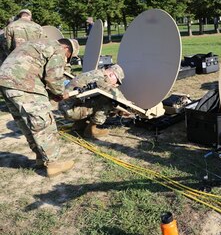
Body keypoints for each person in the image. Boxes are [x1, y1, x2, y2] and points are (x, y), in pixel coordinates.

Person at [0, 38, 80, 177]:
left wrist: (52, 94)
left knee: (26, 122)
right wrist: (61, 93)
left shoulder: (39, 43)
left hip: (6, 82)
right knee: (43, 123)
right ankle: (54, 164)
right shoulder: (58, 49)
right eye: (69, 58)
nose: (67, 60)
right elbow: (53, 78)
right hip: (24, 83)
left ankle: (40, 159)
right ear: (67, 49)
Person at [59, 64, 127, 138]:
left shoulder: (95, 73)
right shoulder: (99, 78)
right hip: (70, 110)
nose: (116, 85)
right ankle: (91, 130)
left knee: (92, 98)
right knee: (106, 100)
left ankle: (79, 125)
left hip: (66, 106)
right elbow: (113, 91)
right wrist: (127, 105)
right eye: (117, 82)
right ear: (111, 74)